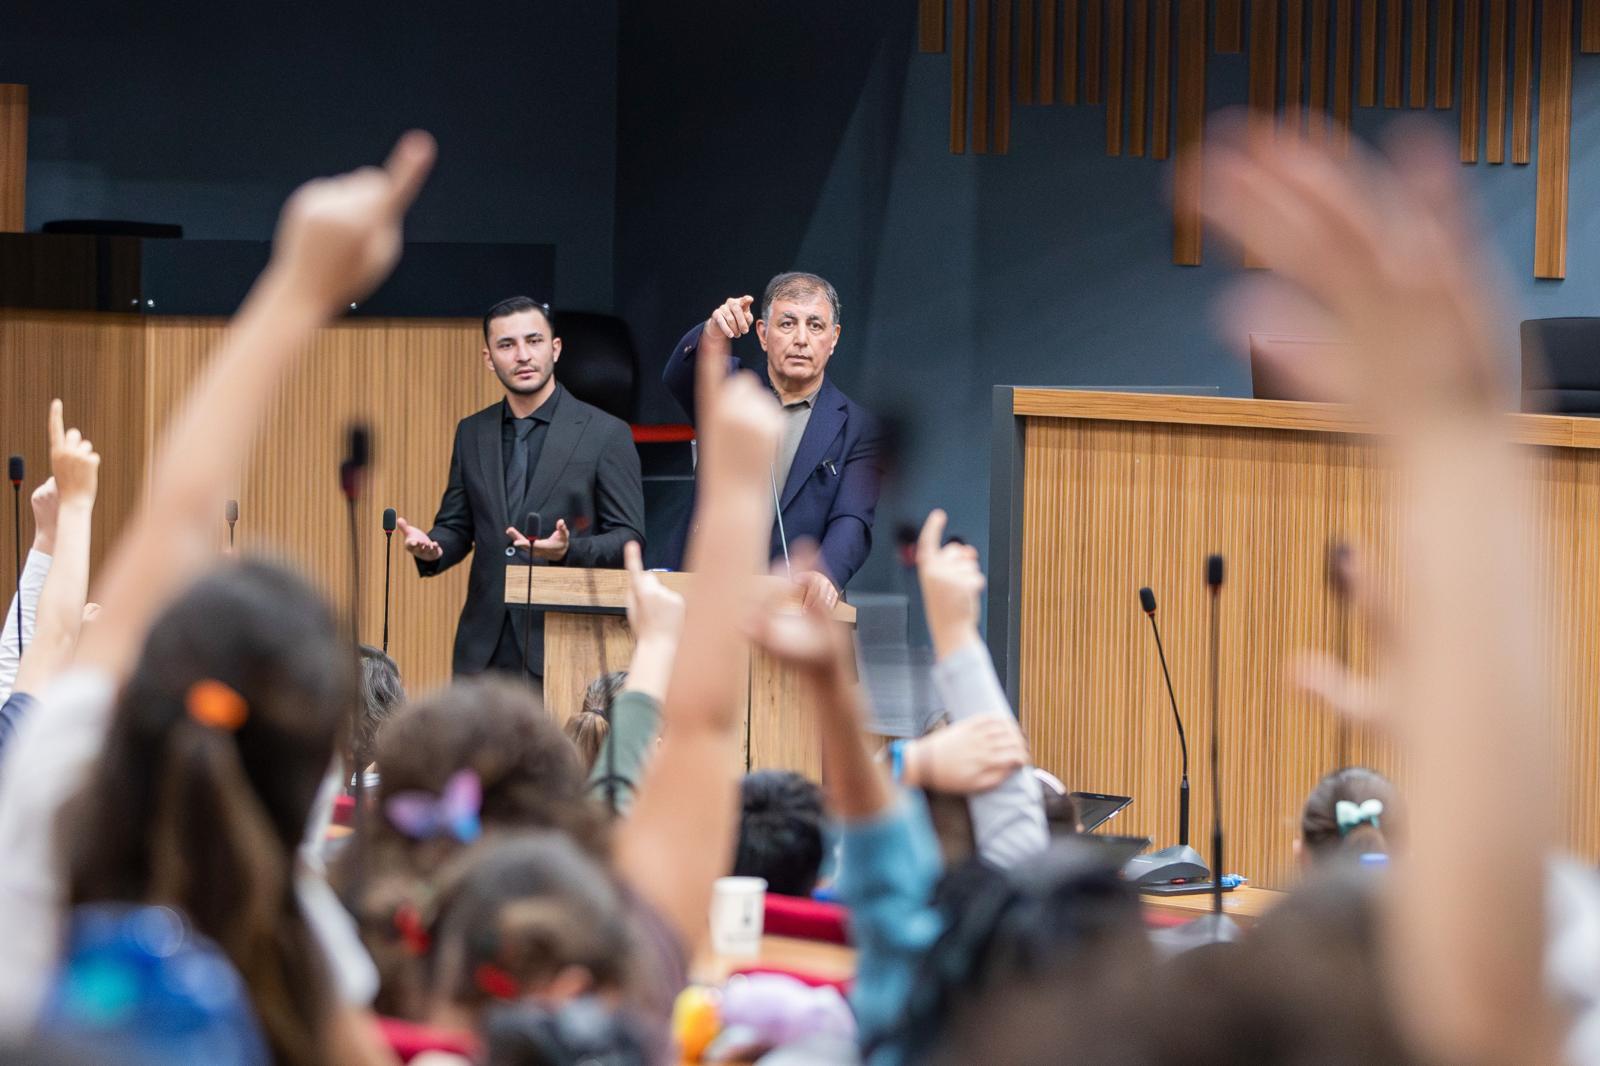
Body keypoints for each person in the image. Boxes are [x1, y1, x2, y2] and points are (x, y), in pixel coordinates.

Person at [0, 131, 436, 1063]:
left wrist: (297, 283)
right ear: (321, 769)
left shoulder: (53, 801)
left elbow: (176, 511)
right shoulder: (295, 933)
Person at [395, 296, 645, 681]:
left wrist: (567, 551)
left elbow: (629, 539)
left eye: (534, 341)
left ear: (555, 348)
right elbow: (458, 525)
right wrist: (433, 546)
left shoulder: (606, 433)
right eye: (506, 345)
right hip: (483, 647)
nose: (523, 355)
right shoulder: (472, 432)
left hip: (564, 640)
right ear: (489, 358)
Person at [662, 272, 884, 609]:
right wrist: (712, 333)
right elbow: (678, 376)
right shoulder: (731, 387)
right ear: (763, 334)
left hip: (791, 602)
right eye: (787, 324)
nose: (801, 339)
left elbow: (852, 517)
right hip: (704, 590)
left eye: (815, 325)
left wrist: (826, 573)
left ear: (834, 338)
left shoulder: (859, 428)